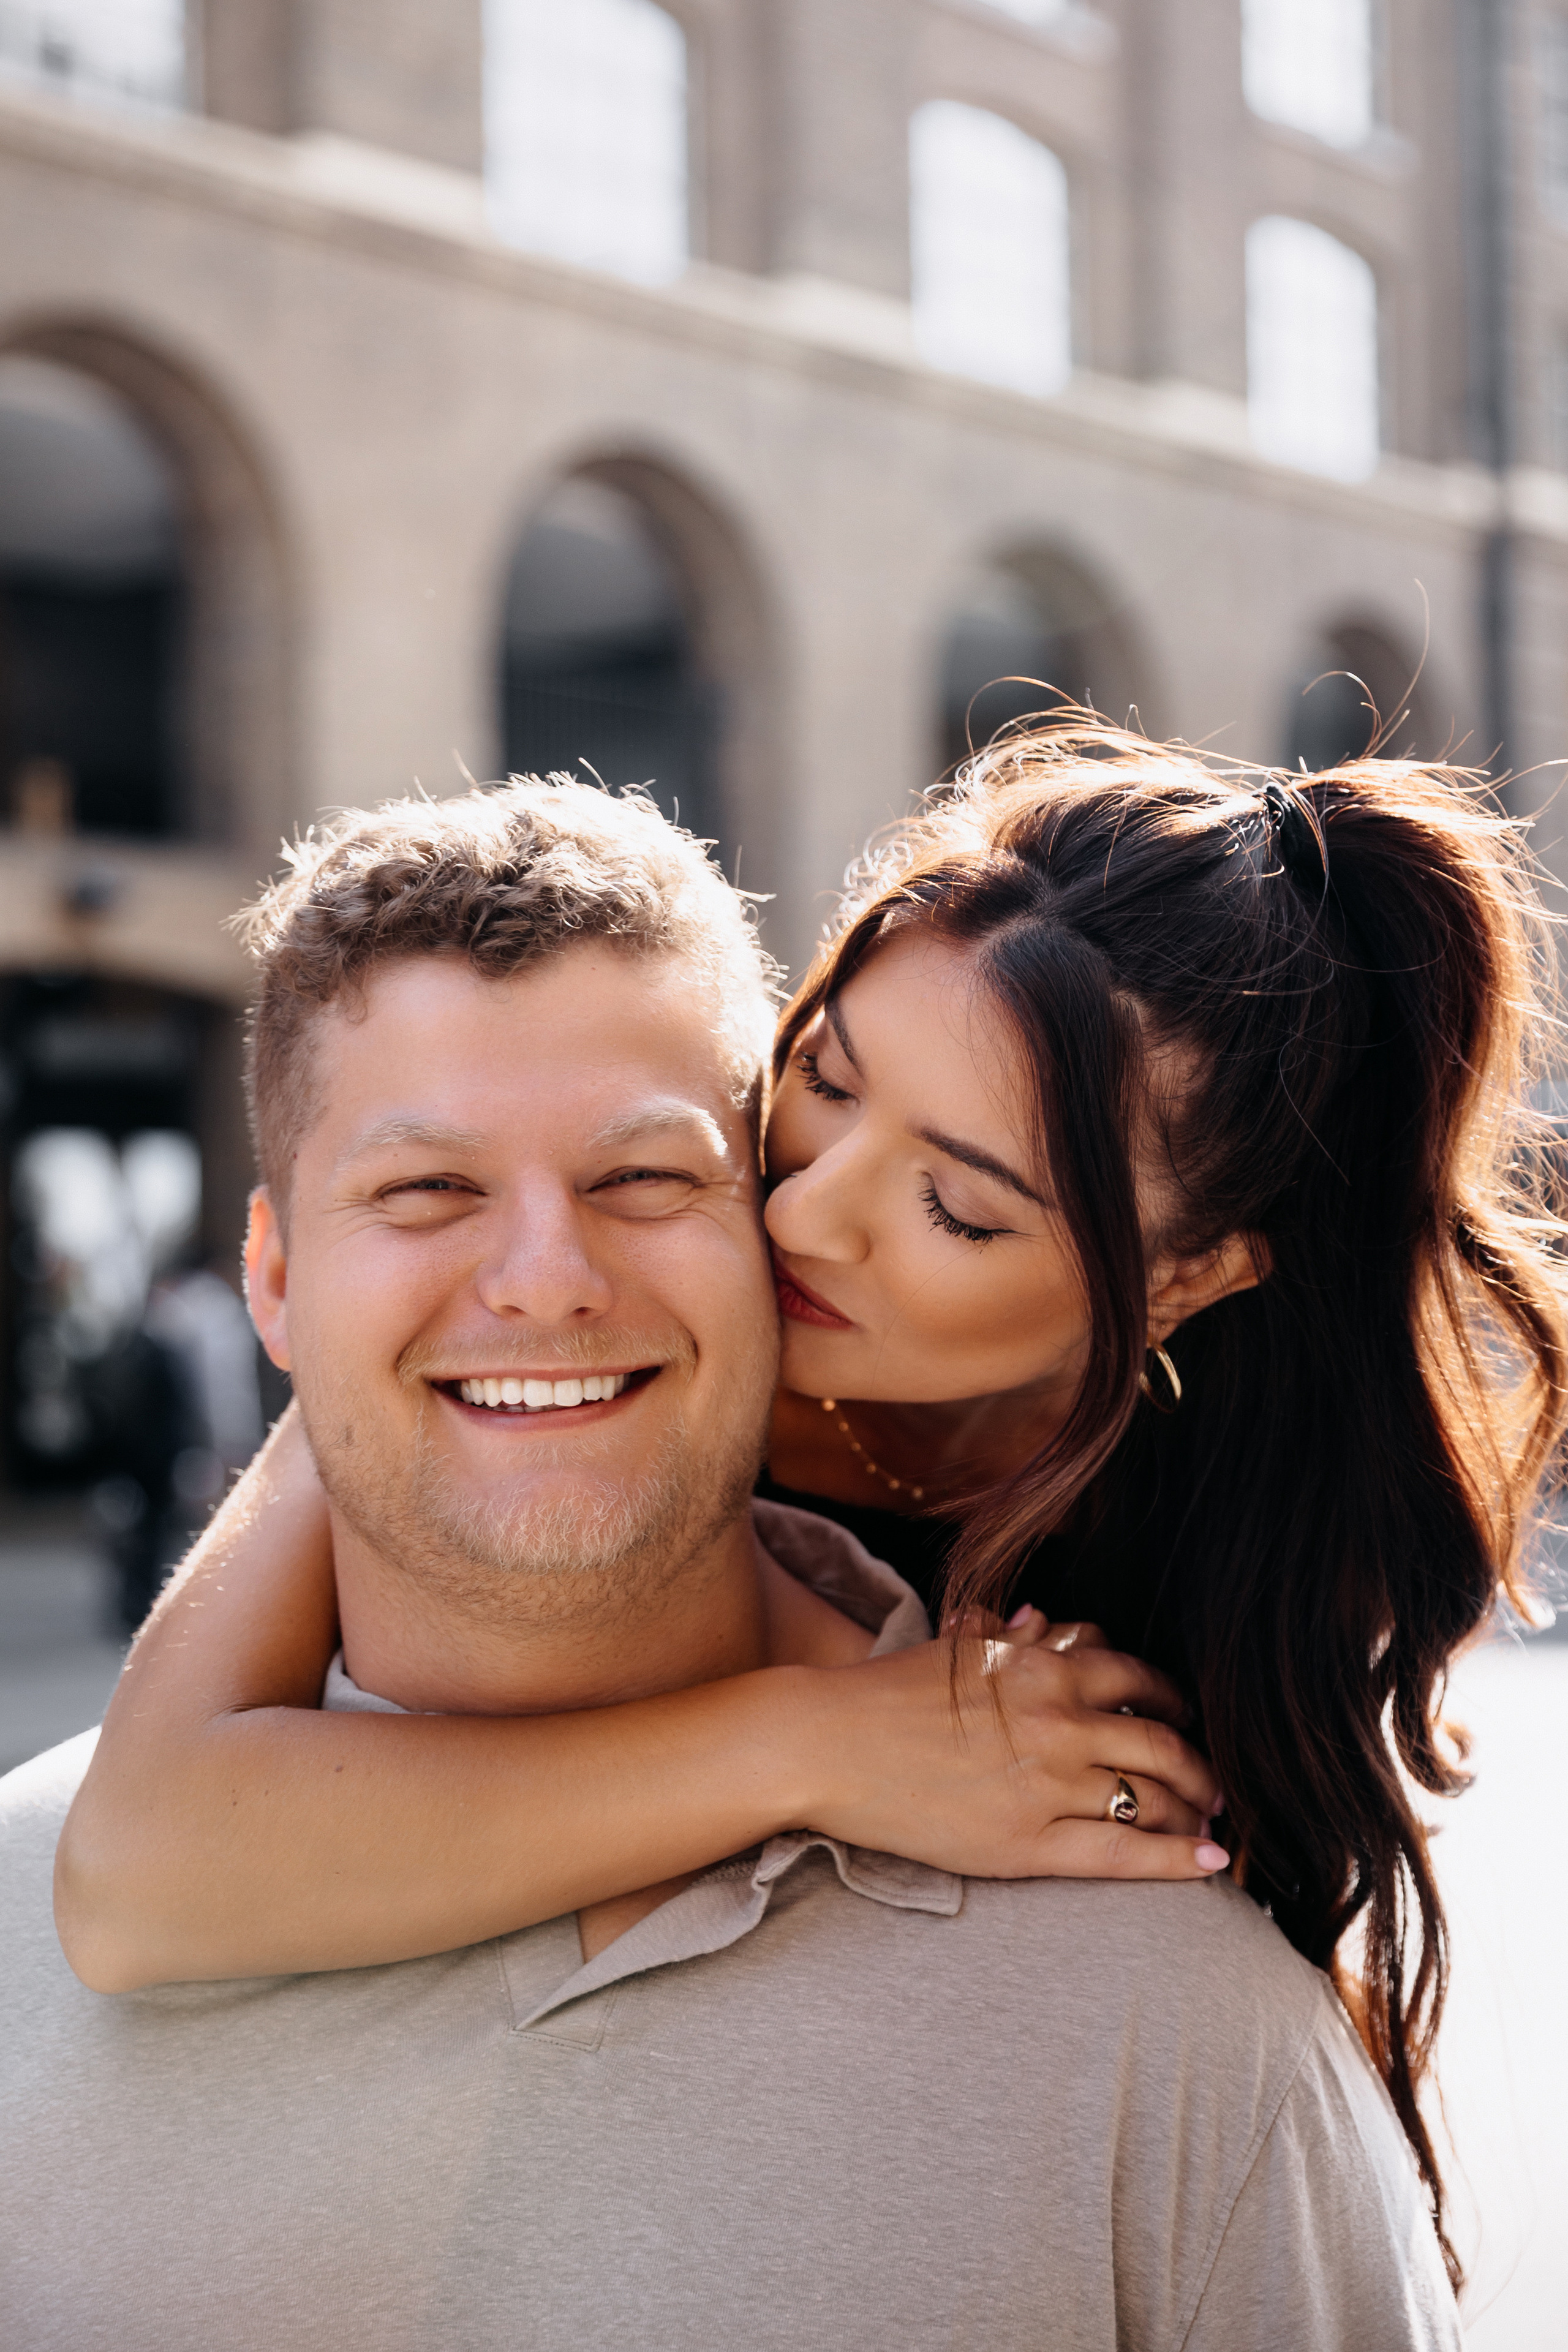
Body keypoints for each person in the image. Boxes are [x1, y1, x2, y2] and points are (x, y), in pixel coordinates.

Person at [44, 740, 1565, 2296]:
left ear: (1183, 1280)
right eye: (824, 1080)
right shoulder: (567, 1320)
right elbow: (142, 1865)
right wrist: (820, 1742)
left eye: (958, 1208)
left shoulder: (1227, 1549)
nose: (798, 1207)